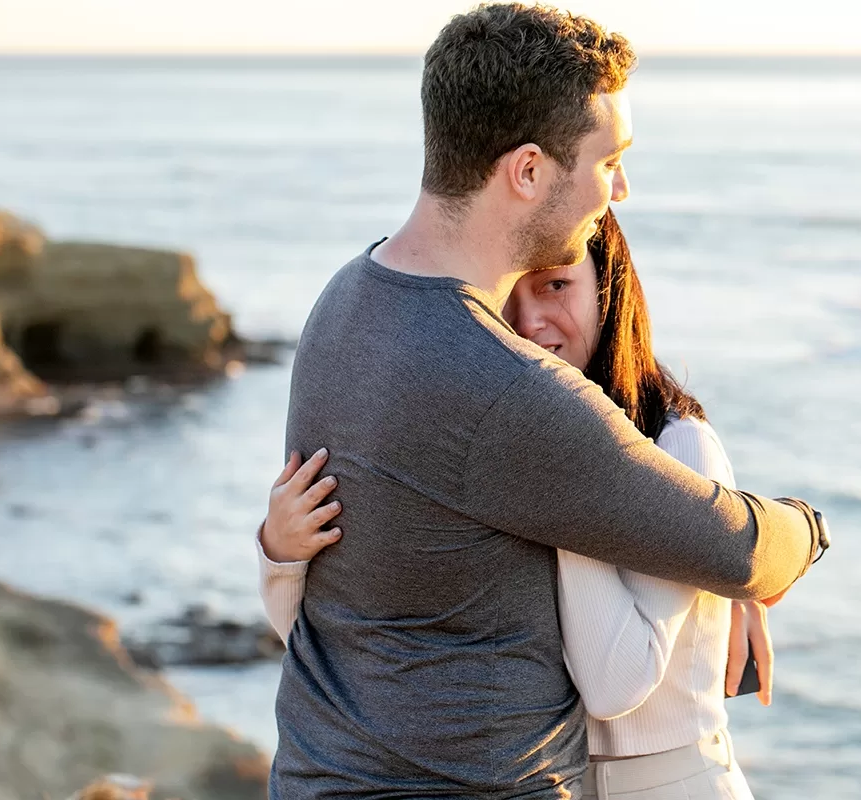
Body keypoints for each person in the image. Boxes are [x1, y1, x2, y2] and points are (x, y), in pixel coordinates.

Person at [270, 4, 829, 798]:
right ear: (528, 171)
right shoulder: (504, 389)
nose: (621, 188)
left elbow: (326, 595)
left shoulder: (346, 301)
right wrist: (807, 531)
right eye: (609, 160)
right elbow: (736, 547)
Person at [260, 209, 781, 800]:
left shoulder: (677, 441)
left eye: (557, 285)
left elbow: (614, 687)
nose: (530, 322)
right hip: (560, 782)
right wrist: (280, 553)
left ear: (609, 292)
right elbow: (329, 643)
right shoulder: (501, 452)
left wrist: (556, 479)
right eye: (512, 292)